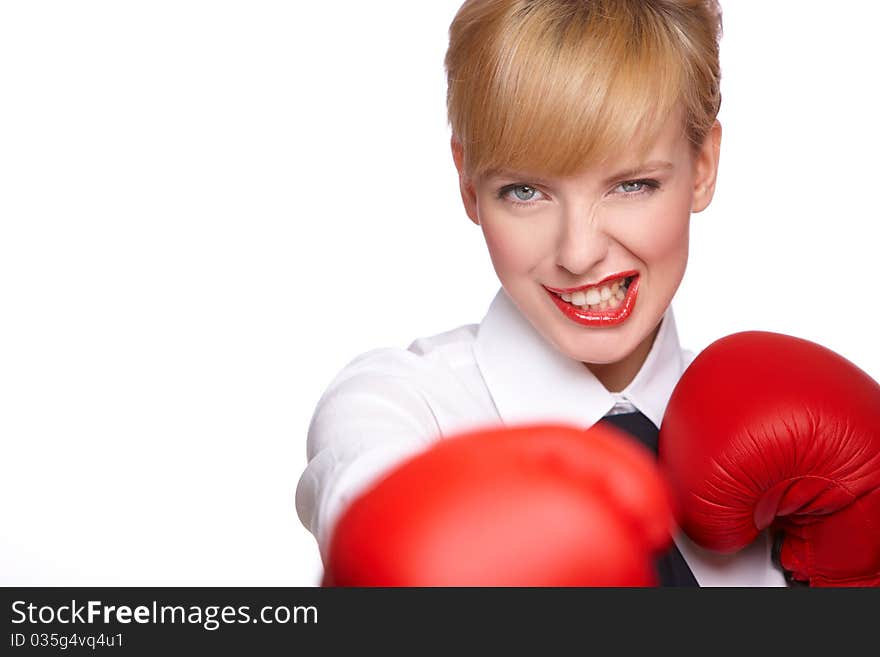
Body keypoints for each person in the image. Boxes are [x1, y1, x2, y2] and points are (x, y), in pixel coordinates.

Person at [295, 0, 787, 586]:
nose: (578, 253)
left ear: (703, 164)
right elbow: (364, 500)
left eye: (632, 184)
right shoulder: (402, 406)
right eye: (525, 191)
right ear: (468, 184)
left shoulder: (787, 446)